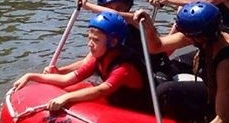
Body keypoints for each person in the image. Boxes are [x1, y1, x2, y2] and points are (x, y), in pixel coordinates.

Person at [13, 12, 152, 113]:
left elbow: (100, 90)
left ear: (113, 42)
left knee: (69, 96)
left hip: (134, 109)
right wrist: (31, 76)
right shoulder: (98, 57)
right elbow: (66, 79)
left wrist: (67, 98)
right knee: (65, 92)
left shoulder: (124, 68)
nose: (90, 44)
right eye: (89, 38)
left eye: (96, 40)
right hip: (114, 98)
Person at [45, 0, 171, 79]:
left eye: (120, 7)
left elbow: (117, 15)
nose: (113, 11)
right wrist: (60, 71)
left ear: (128, 6)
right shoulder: (105, 32)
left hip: (155, 72)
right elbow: (88, 61)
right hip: (128, 72)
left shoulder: (137, 20)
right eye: (108, 8)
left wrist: (87, 6)